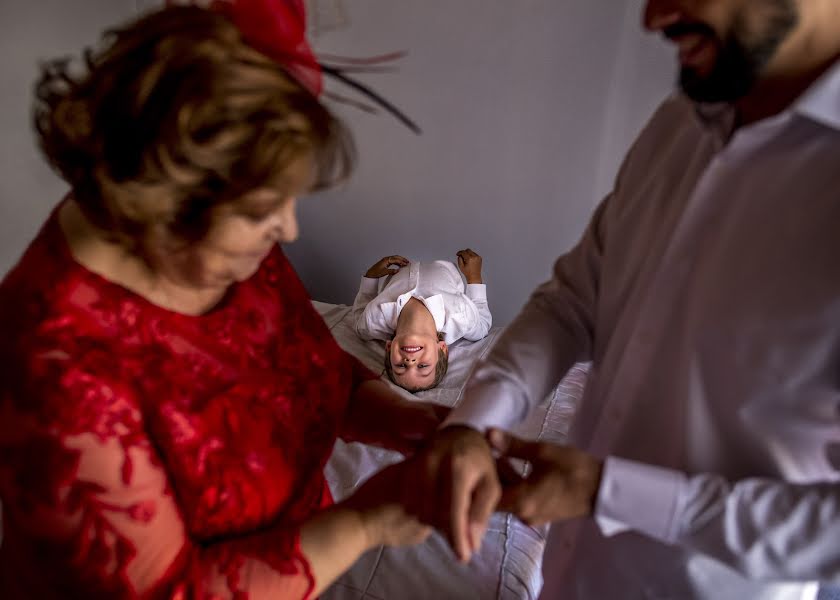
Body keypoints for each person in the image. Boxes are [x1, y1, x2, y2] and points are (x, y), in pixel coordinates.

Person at [0, 3, 446, 598]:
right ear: (166, 206)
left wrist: (408, 423)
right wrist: (365, 524)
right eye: (263, 211)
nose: (288, 230)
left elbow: (309, 367)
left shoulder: (215, 250)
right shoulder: (54, 367)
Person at [408, 0, 840, 598]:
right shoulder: (679, 122)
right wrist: (471, 424)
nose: (652, 19)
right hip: (565, 576)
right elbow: (574, 301)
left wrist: (608, 492)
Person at [352, 249, 492, 392]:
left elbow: (358, 322)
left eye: (401, 366)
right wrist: (474, 276)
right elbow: (483, 326)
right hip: (447, 259)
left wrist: (370, 277)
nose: (410, 362)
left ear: (388, 348)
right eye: (423, 366)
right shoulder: (461, 317)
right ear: (442, 349)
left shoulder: (372, 321)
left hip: (399, 265)